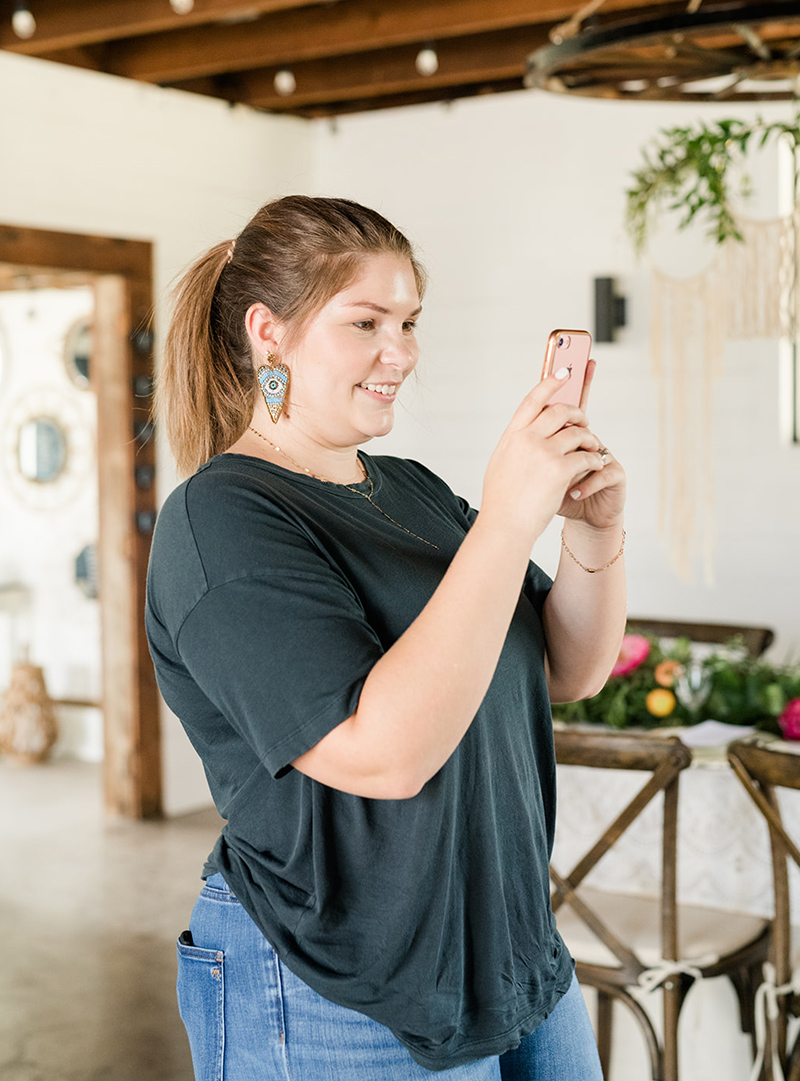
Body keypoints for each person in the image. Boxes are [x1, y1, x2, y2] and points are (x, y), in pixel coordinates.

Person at [145, 195, 627, 1080]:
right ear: (270, 333)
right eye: (365, 321)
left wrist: (590, 533)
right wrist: (508, 519)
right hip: (338, 981)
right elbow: (385, 753)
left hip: (510, 941)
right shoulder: (222, 519)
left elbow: (572, 668)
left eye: (408, 321)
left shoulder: (409, 488)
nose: (400, 352)